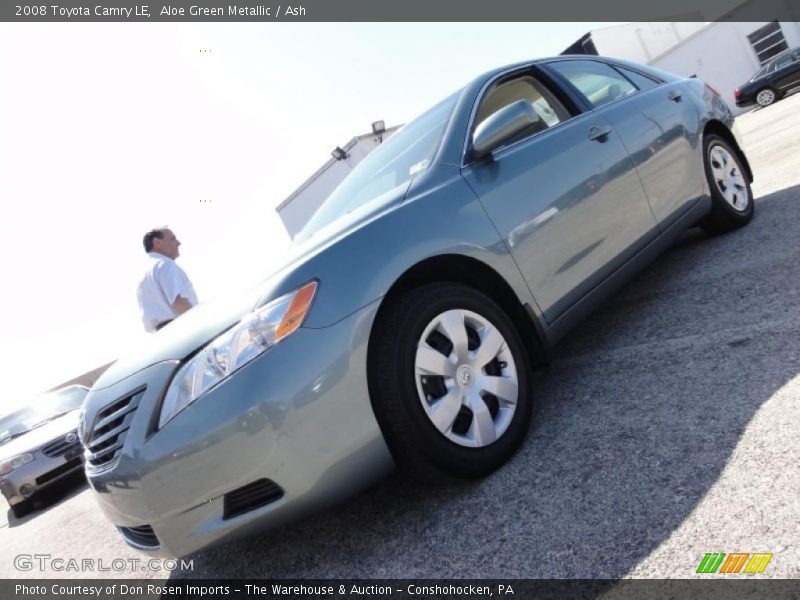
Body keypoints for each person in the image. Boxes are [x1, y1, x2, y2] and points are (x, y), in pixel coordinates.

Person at [137, 227, 198, 332]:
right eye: (173, 239)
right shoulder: (165, 264)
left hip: (163, 337)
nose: (178, 243)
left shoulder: (143, 274)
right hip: (182, 330)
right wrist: (201, 320)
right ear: (157, 242)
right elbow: (177, 302)